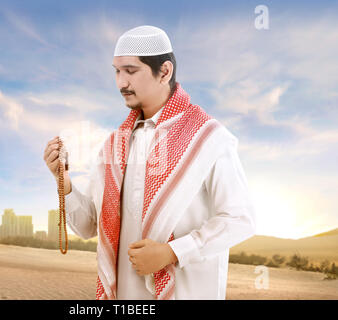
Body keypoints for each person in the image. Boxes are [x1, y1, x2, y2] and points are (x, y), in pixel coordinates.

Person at [43, 25, 256, 300]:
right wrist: (62, 178)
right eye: (117, 71)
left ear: (164, 72)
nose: (121, 83)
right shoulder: (113, 146)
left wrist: (172, 252)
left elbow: (241, 219)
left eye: (131, 71)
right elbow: (87, 226)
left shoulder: (209, 139)